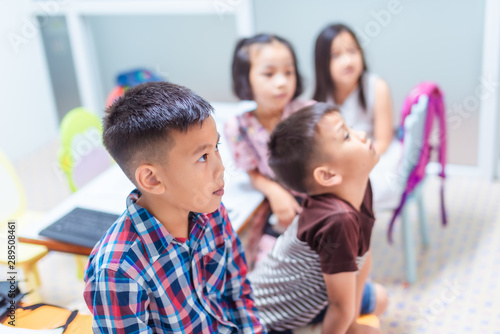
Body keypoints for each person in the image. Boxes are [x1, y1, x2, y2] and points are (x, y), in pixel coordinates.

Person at [83, 82, 265, 333]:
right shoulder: (118, 271)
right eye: (202, 157)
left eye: (216, 148)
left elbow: (238, 293)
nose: (221, 168)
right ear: (152, 179)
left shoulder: (212, 213)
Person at [249, 103, 388, 333]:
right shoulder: (337, 220)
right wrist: (347, 321)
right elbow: (340, 307)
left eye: (350, 129)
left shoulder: (361, 185)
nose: (362, 135)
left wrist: (352, 325)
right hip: (269, 318)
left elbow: (363, 257)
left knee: (379, 300)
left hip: (317, 299)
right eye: (346, 136)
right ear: (327, 175)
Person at [224, 34, 314, 257]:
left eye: (288, 72)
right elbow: (252, 173)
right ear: (245, 80)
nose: (282, 81)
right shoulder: (238, 127)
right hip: (279, 204)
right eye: (269, 73)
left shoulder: (309, 113)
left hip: (319, 195)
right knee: (268, 258)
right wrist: (275, 193)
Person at [313, 23, 403, 210]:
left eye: (352, 51)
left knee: (371, 189)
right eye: (336, 55)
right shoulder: (319, 98)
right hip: (340, 160)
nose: (347, 61)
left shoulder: (377, 87)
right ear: (322, 63)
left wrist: (356, 165)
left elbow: (383, 141)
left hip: (376, 154)